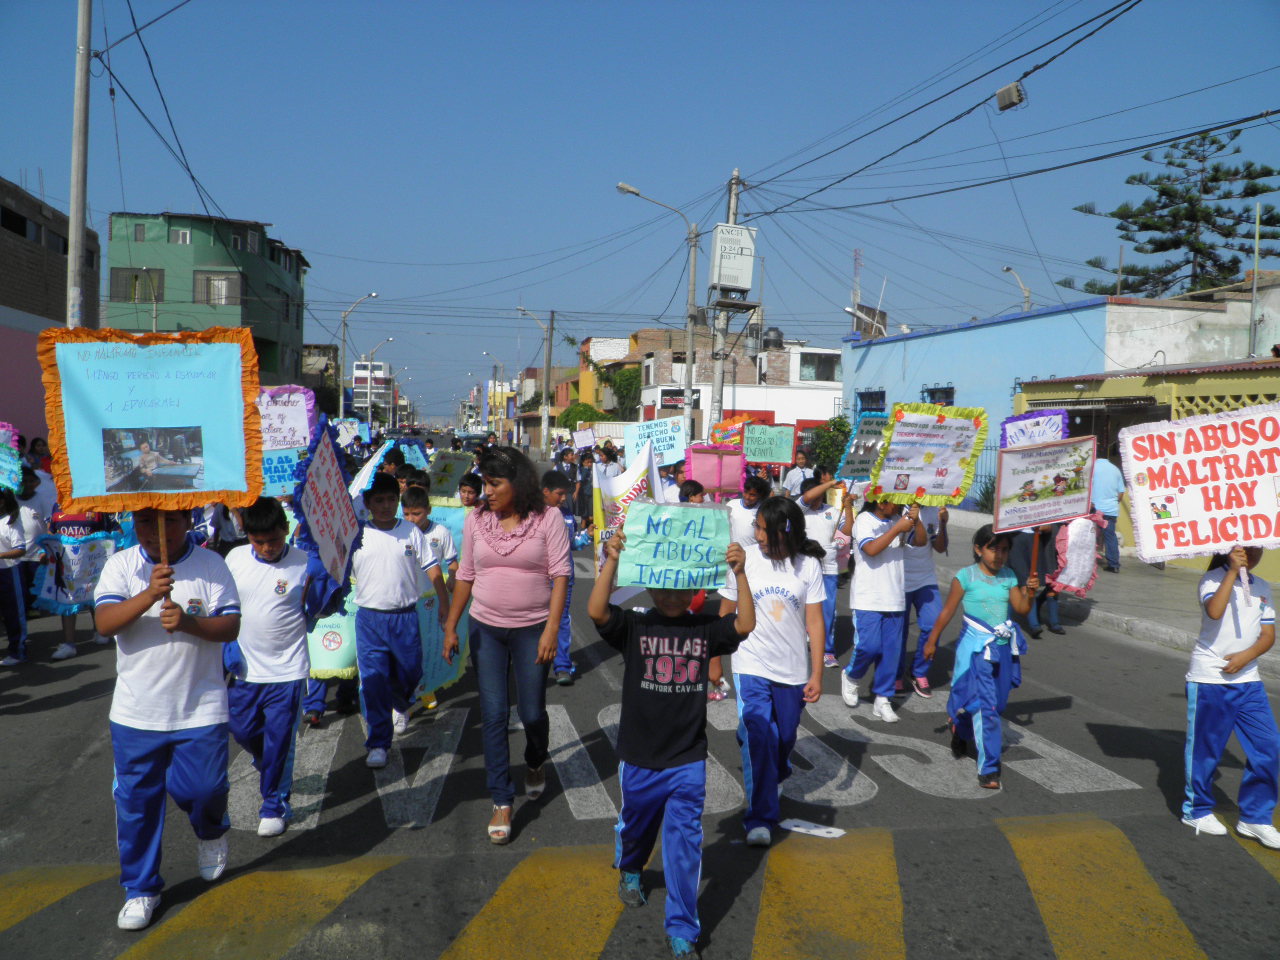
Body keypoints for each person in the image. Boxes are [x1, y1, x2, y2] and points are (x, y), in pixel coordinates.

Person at [589, 531, 753, 959]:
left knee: (684, 844)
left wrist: (740, 574)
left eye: (682, 589)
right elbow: (597, 611)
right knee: (637, 825)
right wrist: (611, 560)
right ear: (648, 582)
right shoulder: (638, 624)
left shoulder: (703, 627)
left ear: (696, 588)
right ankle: (630, 867)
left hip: (687, 758)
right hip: (639, 755)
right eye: (663, 587)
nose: (673, 598)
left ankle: (683, 928)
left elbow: (745, 624)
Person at [93, 508, 241, 931]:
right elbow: (105, 623)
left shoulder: (212, 564)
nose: (158, 532)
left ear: (187, 521)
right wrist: (148, 596)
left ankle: (210, 832)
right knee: (137, 805)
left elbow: (230, 626)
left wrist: (192, 623)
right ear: (135, 527)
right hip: (137, 712)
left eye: (170, 522)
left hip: (201, 706)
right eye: (145, 523)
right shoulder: (121, 565)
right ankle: (141, 889)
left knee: (205, 788)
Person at [443, 447, 570, 844]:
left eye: (495, 483)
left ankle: (535, 760)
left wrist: (551, 630)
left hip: (533, 630)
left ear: (519, 482)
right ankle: (502, 798)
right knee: (494, 714)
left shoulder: (548, 519)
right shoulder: (476, 520)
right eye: (484, 483)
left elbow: (562, 576)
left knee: (532, 713)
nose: (488, 491)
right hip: (486, 630)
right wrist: (451, 626)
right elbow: (465, 574)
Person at [718, 496, 825, 847]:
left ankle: (767, 757)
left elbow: (814, 621)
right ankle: (760, 818)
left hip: (792, 669)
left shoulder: (807, 565)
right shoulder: (744, 560)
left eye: (763, 528)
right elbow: (727, 609)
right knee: (761, 737)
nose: (758, 534)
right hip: (751, 663)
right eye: (757, 527)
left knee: (785, 737)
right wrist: (714, 659)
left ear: (784, 530)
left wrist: (817, 673)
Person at [1179, 546, 1280, 847]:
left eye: (1257, 547)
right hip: (1210, 679)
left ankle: (1255, 817)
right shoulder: (1211, 580)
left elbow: (1267, 635)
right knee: (1206, 750)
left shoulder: (1262, 587)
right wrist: (1233, 571)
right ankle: (1195, 809)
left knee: (1270, 748)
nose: (1252, 552)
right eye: (1245, 547)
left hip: (1249, 681)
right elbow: (1215, 611)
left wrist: (1246, 656)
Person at [223, 498, 312, 837]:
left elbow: (317, 608)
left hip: (287, 671)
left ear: (285, 531)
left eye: (273, 541)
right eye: (257, 541)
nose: (266, 548)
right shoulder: (234, 559)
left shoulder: (305, 563)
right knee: (241, 729)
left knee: (279, 739)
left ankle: (274, 803)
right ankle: (267, 763)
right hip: (245, 669)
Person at [923, 525, 1036, 789]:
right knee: (987, 708)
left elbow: (1021, 608)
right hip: (976, 651)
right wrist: (931, 641)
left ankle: (960, 728)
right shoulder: (965, 577)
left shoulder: (1009, 577)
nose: (999, 555)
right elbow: (947, 612)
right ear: (978, 549)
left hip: (1003, 650)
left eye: (1004, 550)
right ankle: (989, 769)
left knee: (997, 705)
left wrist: (1030, 590)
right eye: (993, 548)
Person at [350, 472, 441, 768]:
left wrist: (446, 605)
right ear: (367, 503)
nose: (386, 506)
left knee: (411, 673)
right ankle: (378, 742)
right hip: (369, 621)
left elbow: (433, 569)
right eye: (379, 500)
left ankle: (401, 703)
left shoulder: (411, 532)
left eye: (391, 500)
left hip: (404, 619)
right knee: (374, 682)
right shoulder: (357, 534)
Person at [841, 500, 926, 722]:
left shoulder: (900, 520)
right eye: (894, 501)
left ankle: (883, 698)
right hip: (867, 597)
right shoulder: (864, 520)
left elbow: (920, 541)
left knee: (891, 652)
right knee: (868, 646)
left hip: (895, 597)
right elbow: (871, 549)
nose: (898, 505)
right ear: (880, 501)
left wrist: (916, 522)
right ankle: (851, 676)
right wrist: (897, 529)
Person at [43, 505, 116, 659]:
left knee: (95, 594)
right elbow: (52, 531)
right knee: (68, 600)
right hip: (67, 563)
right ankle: (69, 643)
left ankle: (99, 630)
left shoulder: (95, 505)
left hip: (91, 562)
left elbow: (111, 531)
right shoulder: (57, 507)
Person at [541, 471, 591, 686]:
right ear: (545, 492)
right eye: (560, 494)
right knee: (533, 621)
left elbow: (573, 543)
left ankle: (562, 665)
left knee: (560, 619)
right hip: (537, 577)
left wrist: (587, 534)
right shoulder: (531, 514)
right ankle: (533, 663)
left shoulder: (568, 515)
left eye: (565, 495)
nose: (563, 499)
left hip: (564, 577)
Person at [799, 476, 855, 670]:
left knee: (828, 612)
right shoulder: (800, 510)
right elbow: (807, 496)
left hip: (829, 569)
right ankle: (798, 643)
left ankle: (827, 651)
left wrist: (847, 507)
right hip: (802, 568)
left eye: (821, 494)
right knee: (798, 608)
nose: (819, 498)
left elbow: (846, 532)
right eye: (817, 493)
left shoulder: (832, 511)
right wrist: (831, 483)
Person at [899, 504, 949, 696]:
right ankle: (895, 672)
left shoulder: (934, 510)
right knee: (898, 631)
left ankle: (918, 671)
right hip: (899, 579)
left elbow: (940, 546)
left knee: (934, 623)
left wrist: (943, 523)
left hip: (925, 579)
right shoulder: (896, 506)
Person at [0, 488, 37, 665]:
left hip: (9, 571)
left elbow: (20, 549)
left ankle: (18, 651)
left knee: (13, 612)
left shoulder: (11, 521)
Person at [1008, 524, 1061, 639]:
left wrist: (1046, 527)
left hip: (1035, 540)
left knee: (1033, 582)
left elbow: (1050, 526)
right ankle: (1034, 625)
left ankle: (1051, 622)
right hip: (1015, 539)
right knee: (1024, 583)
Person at [1091, 453, 1126, 572]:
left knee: (1088, 534)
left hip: (1094, 508)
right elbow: (1121, 493)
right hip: (1111, 509)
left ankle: (1087, 562)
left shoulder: (1091, 468)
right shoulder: (1115, 469)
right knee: (1110, 536)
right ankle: (1114, 564)